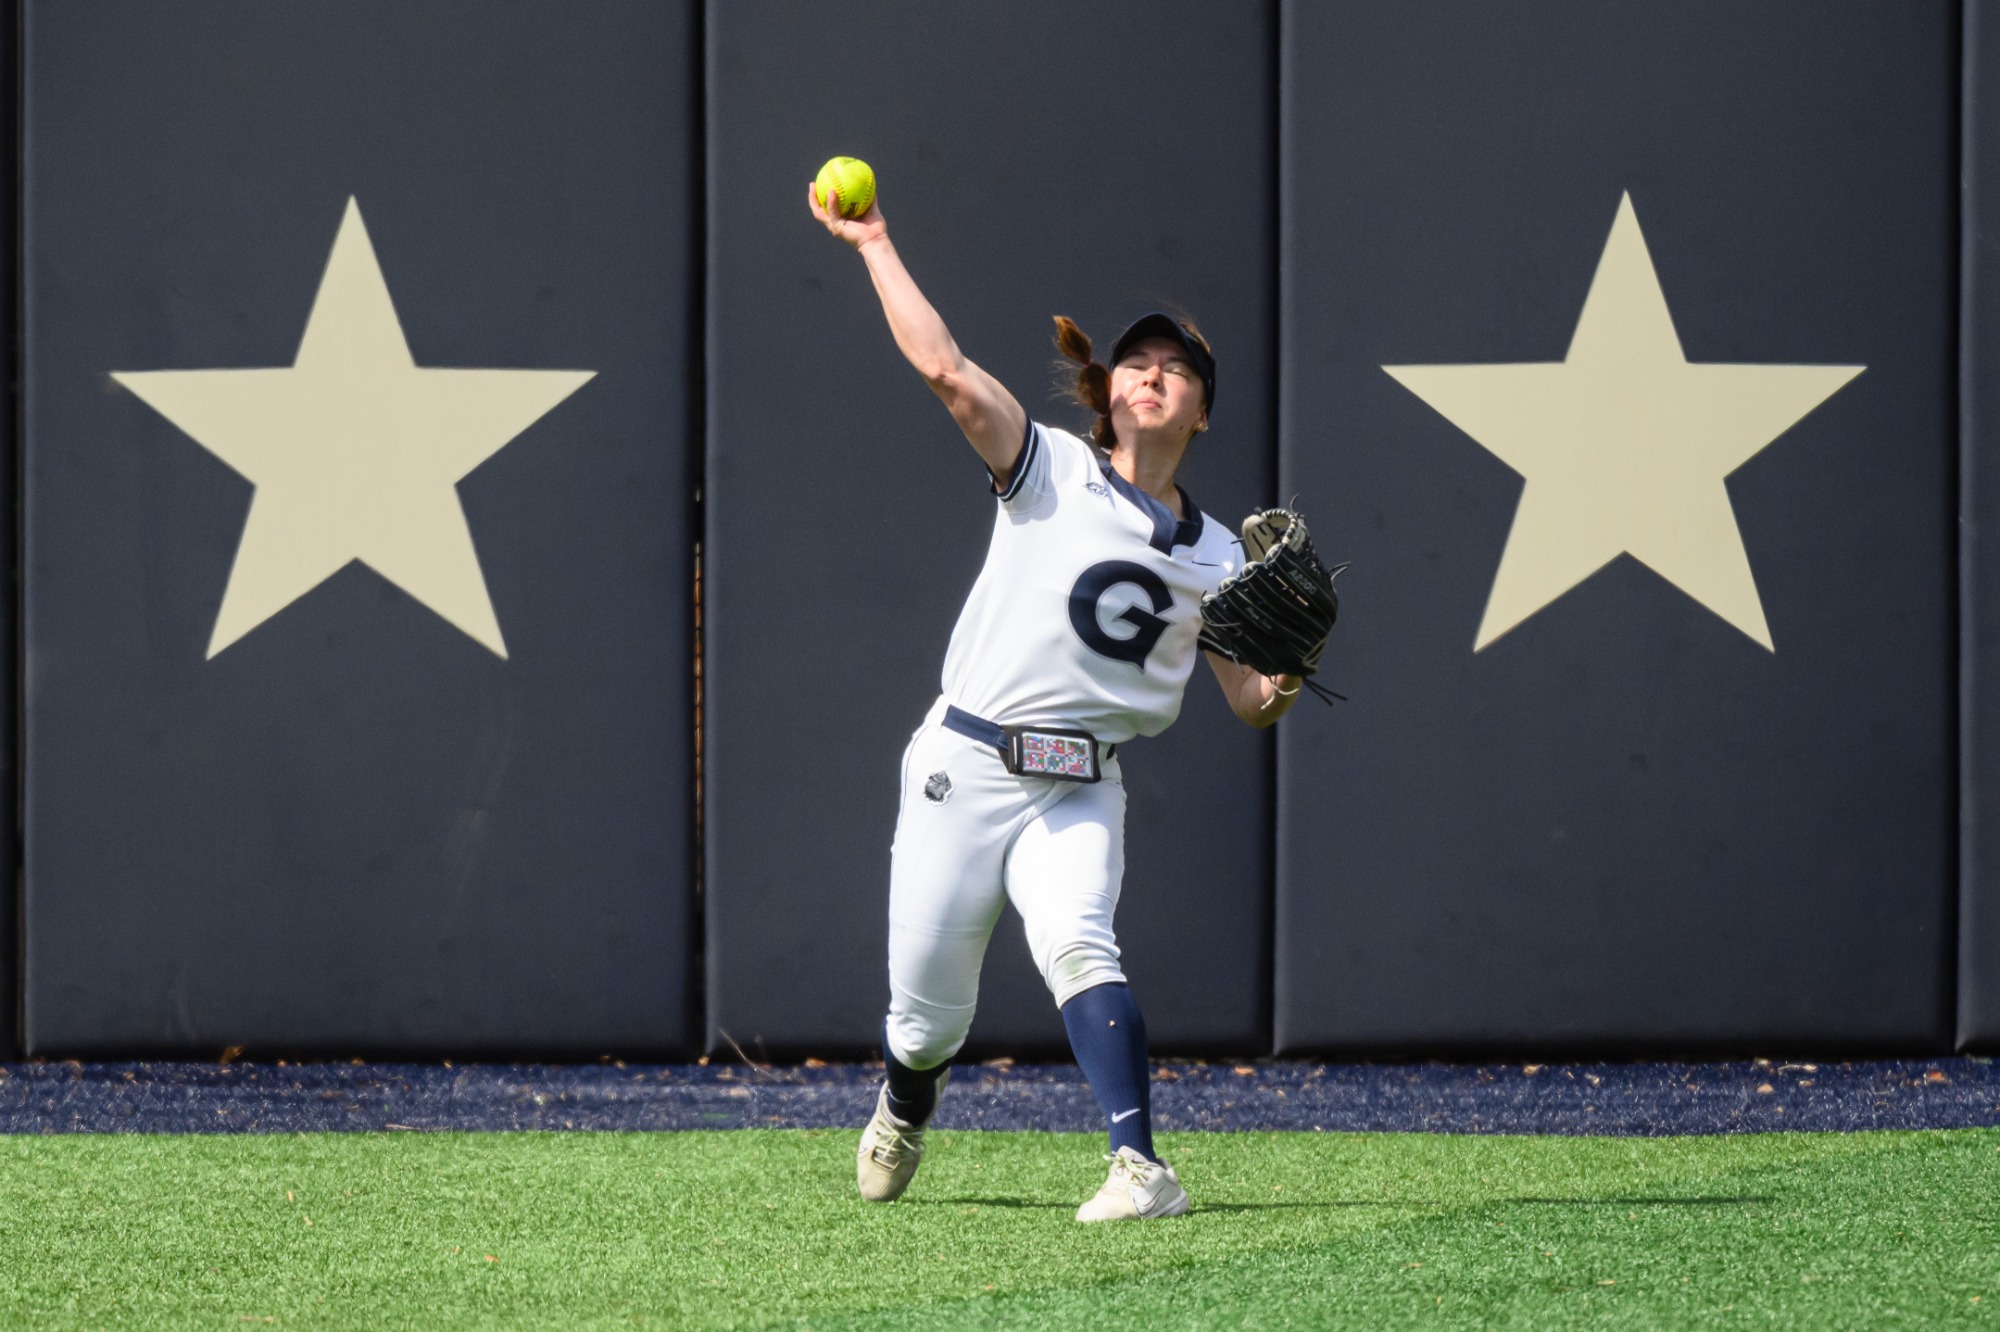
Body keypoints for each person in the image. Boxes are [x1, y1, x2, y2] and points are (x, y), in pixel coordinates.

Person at [809, 177, 1303, 1222]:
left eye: (1177, 371)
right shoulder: (1051, 471)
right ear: (1110, 390)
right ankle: (906, 1097)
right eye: (1138, 362)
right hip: (966, 763)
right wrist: (874, 244)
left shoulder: (1219, 556)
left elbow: (1248, 704)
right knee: (926, 1018)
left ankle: (1141, 1169)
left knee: (1080, 941)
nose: (1153, 377)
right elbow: (945, 372)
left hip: (1079, 784)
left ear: (1200, 411)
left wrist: (1285, 676)